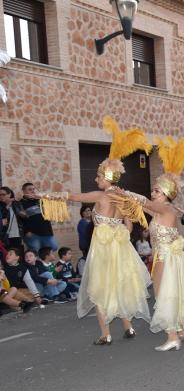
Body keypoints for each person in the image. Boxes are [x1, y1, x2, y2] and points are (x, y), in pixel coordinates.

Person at [38, 116, 152, 345]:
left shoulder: (100, 196)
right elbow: (129, 227)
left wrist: (45, 195)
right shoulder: (122, 199)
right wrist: (118, 231)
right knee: (119, 286)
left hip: (102, 251)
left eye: (98, 176)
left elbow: (71, 196)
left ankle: (105, 334)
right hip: (120, 250)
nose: (95, 178)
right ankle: (128, 328)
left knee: (100, 288)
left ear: (106, 177)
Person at [114, 134, 184, 352]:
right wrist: (124, 197)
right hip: (166, 256)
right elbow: (143, 207)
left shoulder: (165, 208)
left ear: (165, 194)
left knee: (163, 294)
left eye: (156, 190)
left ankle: (172, 336)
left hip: (165, 257)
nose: (152, 192)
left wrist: (125, 191)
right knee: (173, 292)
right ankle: (182, 329)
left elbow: (144, 202)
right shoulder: (162, 210)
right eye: (153, 190)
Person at [18, 183, 58, 252]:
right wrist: (26, 231)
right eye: (30, 189)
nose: (33, 191)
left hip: (46, 232)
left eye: (33, 189)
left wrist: (43, 199)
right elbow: (19, 220)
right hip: (32, 234)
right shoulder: (20, 203)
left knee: (53, 247)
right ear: (24, 191)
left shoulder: (41, 200)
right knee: (36, 253)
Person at [0, 186, 24, 252]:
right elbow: (2, 219)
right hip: (4, 234)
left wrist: (22, 214)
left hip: (17, 234)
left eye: (3, 194)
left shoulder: (16, 203)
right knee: (6, 255)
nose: (1, 196)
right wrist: (6, 207)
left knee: (17, 254)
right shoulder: (1, 206)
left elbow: (24, 216)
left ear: (9, 194)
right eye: (0, 195)